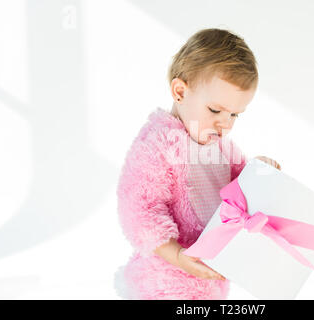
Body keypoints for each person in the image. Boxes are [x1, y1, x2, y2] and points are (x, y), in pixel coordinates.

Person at [114, 28, 281, 300]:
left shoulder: (222, 147)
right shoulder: (158, 144)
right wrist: (178, 256)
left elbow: (239, 188)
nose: (225, 123)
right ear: (180, 91)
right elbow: (140, 211)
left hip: (209, 281)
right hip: (164, 280)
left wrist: (257, 171)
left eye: (235, 114)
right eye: (215, 110)